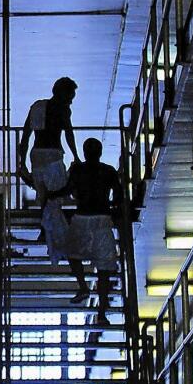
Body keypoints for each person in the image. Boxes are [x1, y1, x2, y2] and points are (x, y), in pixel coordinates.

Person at [50, 138, 123, 325]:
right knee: (105, 268)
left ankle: (83, 287)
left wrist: (49, 195)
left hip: (82, 218)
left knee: (73, 254)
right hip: (102, 218)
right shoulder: (108, 171)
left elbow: (67, 190)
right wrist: (114, 209)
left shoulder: (78, 170)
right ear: (99, 152)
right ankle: (101, 313)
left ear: (84, 152)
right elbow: (119, 196)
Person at [17, 78, 80, 264]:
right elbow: (68, 133)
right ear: (63, 93)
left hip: (36, 154)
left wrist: (22, 162)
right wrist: (76, 156)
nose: (71, 101)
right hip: (52, 155)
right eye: (70, 96)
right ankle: (51, 234)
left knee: (44, 196)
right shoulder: (62, 109)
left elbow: (25, 135)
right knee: (53, 197)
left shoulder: (36, 106)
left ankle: (46, 232)